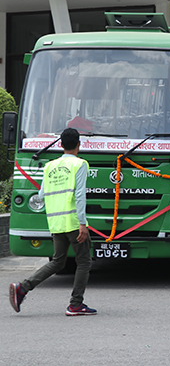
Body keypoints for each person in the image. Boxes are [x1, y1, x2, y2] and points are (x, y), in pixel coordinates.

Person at [9, 128, 96, 316]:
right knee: (84, 262)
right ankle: (75, 304)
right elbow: (80, 195)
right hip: (73, 222)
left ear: (61, 145)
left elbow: (41, 195)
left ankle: (22, 288)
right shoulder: (80, 164)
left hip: (56, 222)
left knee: (58, 261)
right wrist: (83, 223)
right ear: (79, 144)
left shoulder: (49, 166)